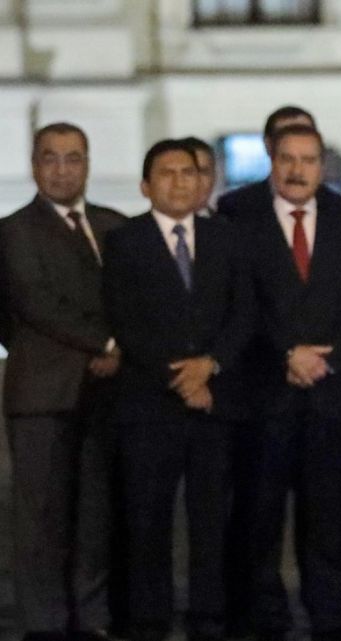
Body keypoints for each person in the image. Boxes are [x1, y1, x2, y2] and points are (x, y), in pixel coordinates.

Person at [102, 139, 254, 641]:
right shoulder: (124, 241)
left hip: (215, 401)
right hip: (149, 405)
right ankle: (149, 620)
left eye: (189, 172)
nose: (180, 181)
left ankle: (209, 618)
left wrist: (209, 366)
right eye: (167, 173)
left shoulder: (226, 237)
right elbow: (125, 320)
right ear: (146, 186)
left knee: (211, 521)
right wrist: (183, 379)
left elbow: (243, 312)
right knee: (148, 521)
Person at [216, 105, 341, 635]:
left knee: (329, 520)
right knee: (258, 518)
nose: (298, 170)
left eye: (309, 160)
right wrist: (287, 354)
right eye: (288, 159)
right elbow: (234, 301)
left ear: (323, 165)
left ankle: (331, 619)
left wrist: (326, 357)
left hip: (331, 393)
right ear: (271, 161)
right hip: (262, 393)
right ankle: (263, 619)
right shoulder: (236, 214)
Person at [0, 122, 127, 641]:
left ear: (88, 164)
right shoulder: (12, 231)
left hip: (109, 392)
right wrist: (106, 344)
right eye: (50, 158)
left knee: (96, 514)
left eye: (73, 158)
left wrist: (119, 349)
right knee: (41, 518)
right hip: (42, 394)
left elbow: (138, 297)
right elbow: (34, 302)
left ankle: (91, 618)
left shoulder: (115, 226)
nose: (61, 169)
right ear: (34, 166)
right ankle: (45, 623)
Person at [181, 136, 218, 217]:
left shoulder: (229, 223)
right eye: (188, 172)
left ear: (214, 177)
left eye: (203, 172)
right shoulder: (152, 224)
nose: (196, 180)